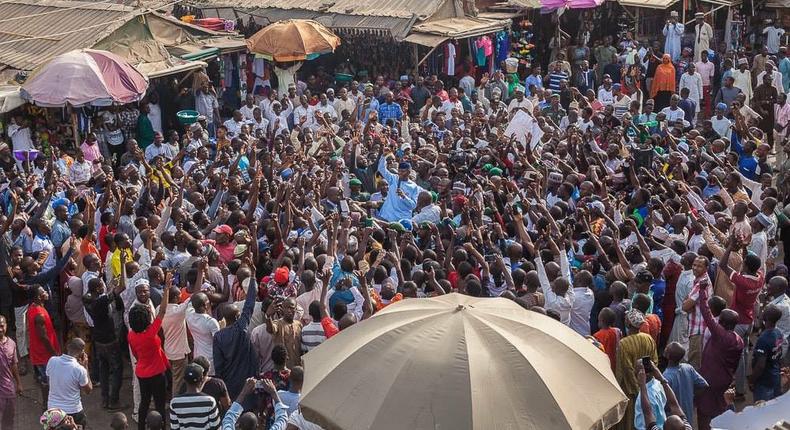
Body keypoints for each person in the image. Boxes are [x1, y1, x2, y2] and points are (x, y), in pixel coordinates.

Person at [127, 276, 170, 430]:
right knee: (159, 403)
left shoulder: (131, 335)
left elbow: (136, 355)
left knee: (144, 402)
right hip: (157, 372)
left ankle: (141, 427)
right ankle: (161, 426)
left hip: (142, 372)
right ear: (146, 319)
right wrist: (166, 289)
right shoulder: (151, 333)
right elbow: (163, 311)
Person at [615, 309, 658, 430]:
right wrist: (645, 385)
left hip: (630, 390)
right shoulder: (648, 338)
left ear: (628, 325)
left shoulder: (624, 343)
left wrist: (637, 389)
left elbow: (627, 370)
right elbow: (654, 362)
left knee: (632, 419)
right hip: (647, 386)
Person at [45, 338, 92, 427]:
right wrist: (86, 367)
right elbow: (88, 390)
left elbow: (49, 381)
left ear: (67, 347)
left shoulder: (52, 361)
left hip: (53, 410)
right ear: (82, 353)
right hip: (74, 411)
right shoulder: (79, 370)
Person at [661, 342, 707, 424]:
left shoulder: (666, 377)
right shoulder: (688, 368)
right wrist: (692, 398)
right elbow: (704, 385)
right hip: (688, 416)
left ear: (668, 355)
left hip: (673, 421)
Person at [169, 362, 221, 429]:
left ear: (184, 380)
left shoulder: (174, 403)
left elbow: (175, 428)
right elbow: (215, 427)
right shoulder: (210, 401)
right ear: (202, 380)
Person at [749, 305, 784, 401]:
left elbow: (760, 365)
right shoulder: (779, 333)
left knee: (761, 409)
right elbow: (779, 355)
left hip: (764, 381)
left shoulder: (763, 339)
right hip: (775, 377)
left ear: (766, 318)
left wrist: (752, 380)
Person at [0, 315, 21, 429]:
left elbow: (14, 365)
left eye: (2, 326)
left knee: (9, 419)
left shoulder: (12, 344)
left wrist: (19, 383)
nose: (0, 329)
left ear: (6, 326)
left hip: (9, 388)